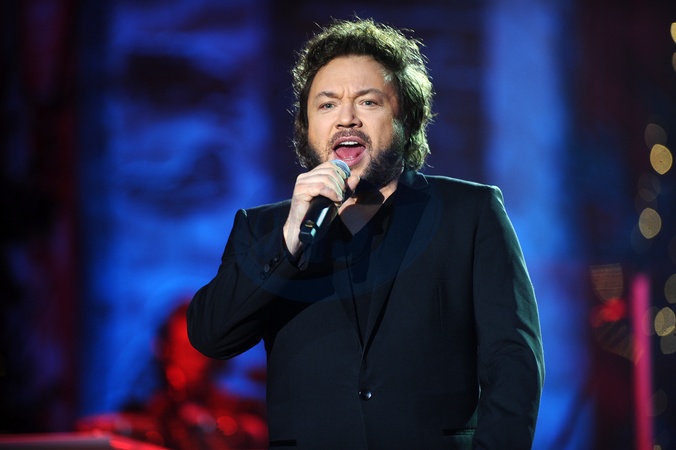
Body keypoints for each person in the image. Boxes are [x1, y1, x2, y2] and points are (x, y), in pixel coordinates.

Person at [188, 17, 544, 449]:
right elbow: (212, 336)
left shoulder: (470, 212)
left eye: (368, 102)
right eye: (327, 105)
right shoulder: (263, 228)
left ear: (406, 118)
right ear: (306, 126)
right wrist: (288, 240)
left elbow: (513, 359)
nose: (346, 119)